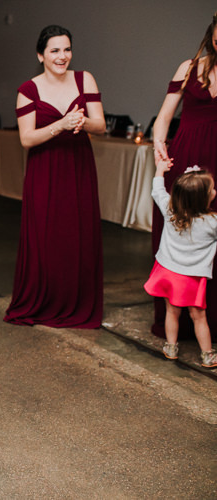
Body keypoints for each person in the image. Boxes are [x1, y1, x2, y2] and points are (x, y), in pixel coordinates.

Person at [4, 25, 106, 329]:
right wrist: (61, 124)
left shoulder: (84, 79)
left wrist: (84, 122)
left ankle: (78, 301)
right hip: (45, 169)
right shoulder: (28, 90)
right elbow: (26, 139)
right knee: (46, 235)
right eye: (55, 50)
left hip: (78, 166)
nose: (62, 56)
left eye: (67, 49)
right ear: (41, 55)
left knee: (78, 233)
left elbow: (100, 125)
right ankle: (45, 300)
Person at [150, 12, 217, 339]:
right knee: (179, 227)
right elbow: (165, 116)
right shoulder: (190, 68)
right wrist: (158, 144)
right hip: (188, 157)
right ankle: (176, 318)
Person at [144, 162, 217, 368]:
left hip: (168, 273)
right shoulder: (212, 223)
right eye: (211, 189)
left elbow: (157, 190)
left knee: (171, 312)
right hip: (192, 278)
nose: (215, 191)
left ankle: (171, 347)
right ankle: (207, 355)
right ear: (203, 198)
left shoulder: (170, 211)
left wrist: (160, 169)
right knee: (199, 317)